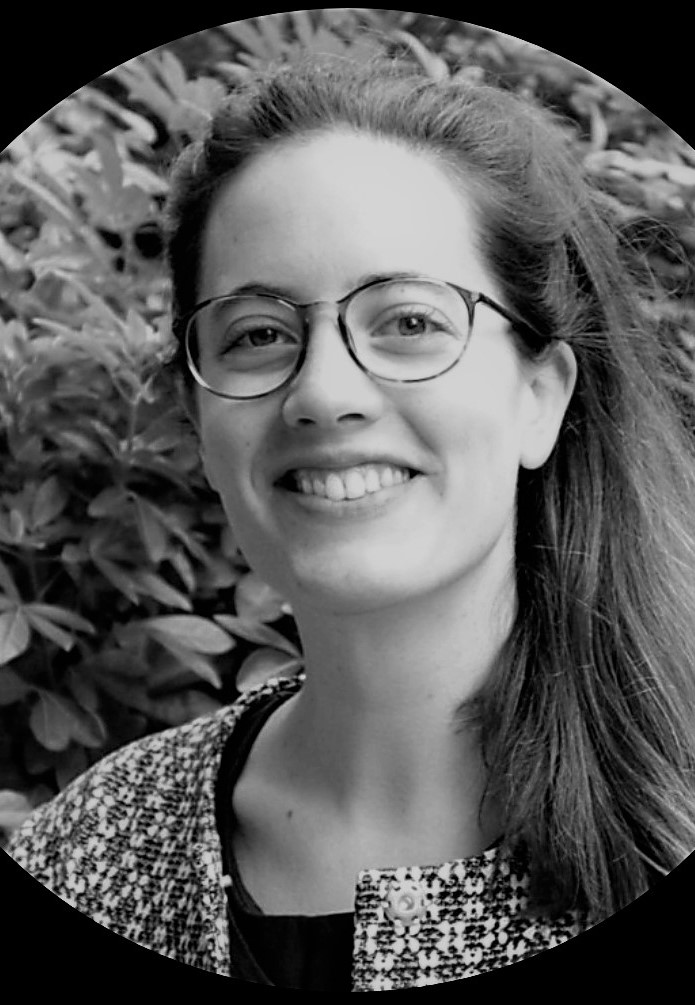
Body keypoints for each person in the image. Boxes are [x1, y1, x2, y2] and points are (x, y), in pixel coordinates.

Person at [5, 52, 695, 991]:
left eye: (408, 322)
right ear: (199, 422)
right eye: (257, 334)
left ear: (540, 396)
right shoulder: (87, 861)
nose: (323, 392)